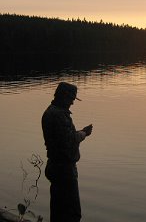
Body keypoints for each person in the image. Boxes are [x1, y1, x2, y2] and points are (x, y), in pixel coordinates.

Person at [42, 82, 93, 222]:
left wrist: (79, 133)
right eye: (71, 98)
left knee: (58, 210)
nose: (72, 102)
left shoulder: (50, 111)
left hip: (55, 166)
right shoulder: (58, 115)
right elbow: (69, 140)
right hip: (63, 169)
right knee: (73, 213)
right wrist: (84, 133)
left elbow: (63, 137)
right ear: (63, 96)